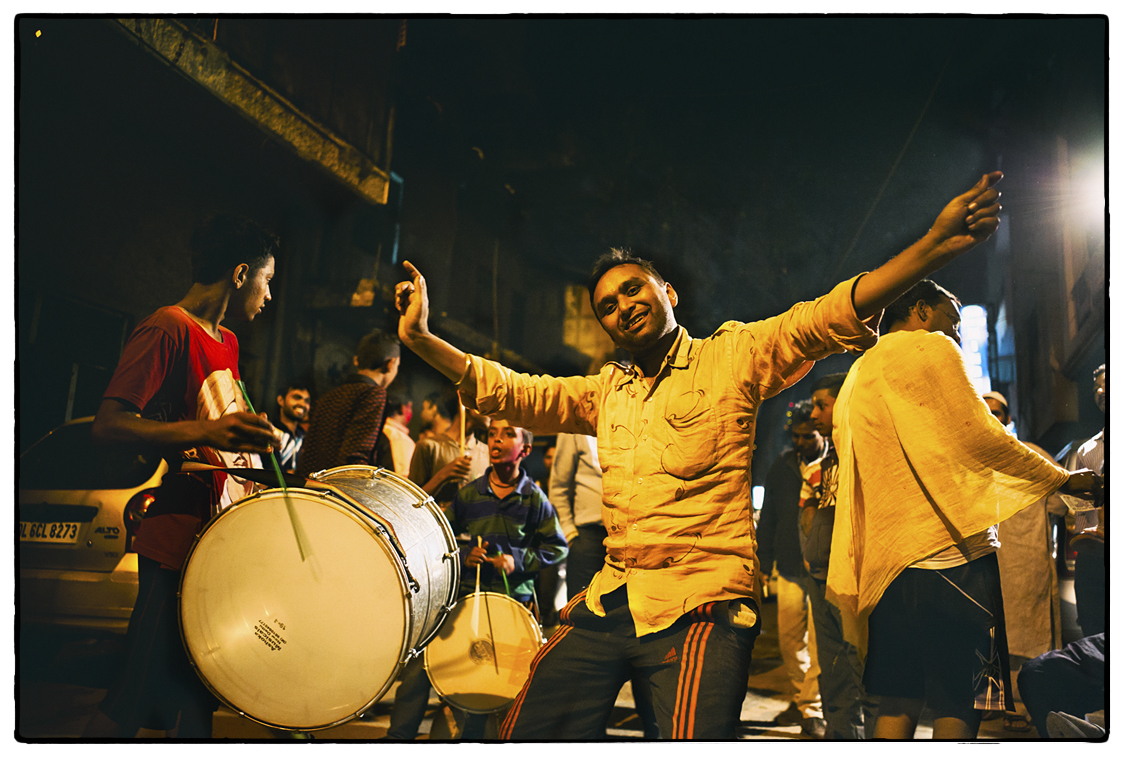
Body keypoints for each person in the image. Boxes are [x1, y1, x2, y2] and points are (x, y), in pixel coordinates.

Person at [396, 173, 1011, 739]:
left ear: (667, 292)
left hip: (703, 605)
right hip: (615, 597)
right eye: (606, 306)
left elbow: (826, 317)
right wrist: (422, 338)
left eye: (632, 289)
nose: (621, 307)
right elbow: (516, 391)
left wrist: (933, 245)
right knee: (524, 731)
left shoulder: (731, 356)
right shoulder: (606, 389)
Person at [825, 280, 1102, 739]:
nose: (955, 335)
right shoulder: (930, 348)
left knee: (899, 697)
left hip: (888, 569)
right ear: (920, 310)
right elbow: (981, 436)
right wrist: (1064, 478)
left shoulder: (857, 375)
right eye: (952, 321)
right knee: (963, 697)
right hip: (953, 561)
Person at [83, 212, 282, 739]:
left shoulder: (229, 343)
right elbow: (109, 424)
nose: (268, 296)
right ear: (241, 274)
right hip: (174, 538)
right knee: (134, 694)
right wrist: (209, 435)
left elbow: (216, 427)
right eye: (267, 281)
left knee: (196, 701)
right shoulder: (167, 327)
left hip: (215, 536)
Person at [387, 419, 568, 739]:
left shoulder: (535, 499)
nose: (496, 440)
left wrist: (518, 559)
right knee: (418, 672)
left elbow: (557, 548)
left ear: (525, 449)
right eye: (492, 435)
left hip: (514, 604)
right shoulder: (469, 494)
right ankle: (397, 741)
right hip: (466, 600)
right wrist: (464, 551)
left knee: (502, 684)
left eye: (507, 434)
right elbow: (441, 538)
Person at [798, 372, 873, 740]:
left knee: (861, 667)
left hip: (853, 578)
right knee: (833, 668)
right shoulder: (827, 462)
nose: (813, 414)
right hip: (821, 578)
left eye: (821, 405)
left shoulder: (863, 452)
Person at [755, 400, 826, 737]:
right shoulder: (782, 467)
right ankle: (803, 699)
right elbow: (768, 519)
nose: (800, 443)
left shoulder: (833, 465)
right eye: (796, 436)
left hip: (821, 570)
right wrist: (764, 565)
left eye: (807, 436)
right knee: (789, 641)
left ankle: (812, 709)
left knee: (818, 645)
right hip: (787, 567)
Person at [983, 392, 1065, 665]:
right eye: (985, 412)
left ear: (1007, 418)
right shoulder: (972, 462)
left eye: (997, 412)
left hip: (1029, 571)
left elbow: (1061, 503)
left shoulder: (1034, 456)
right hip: (989, 572)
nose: (992, 417)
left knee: (1033, 654)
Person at [297, 329, 400, 477]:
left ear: (356, 360)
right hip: (337, 493)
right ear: (390, 364)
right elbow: (356, 457)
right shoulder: (374, 394)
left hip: (310, 488)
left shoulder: (328, 397)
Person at [1065, 364, 1105, 639]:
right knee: (1093, 631)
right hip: (1092, 557)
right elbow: (1081, 511)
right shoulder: (1087, 450)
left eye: (1107, 384)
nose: (1101, 391)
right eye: (1096, 388)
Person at [407, 386, 491, 508]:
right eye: (488, 403)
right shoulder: (429, 447)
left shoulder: (487, 453)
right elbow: (410, 501)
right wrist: (443, 475)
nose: (493, 412)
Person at [274, 383, 310, 473]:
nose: (303, 404)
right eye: (297, 398)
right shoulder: (271, 432)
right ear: (281, 400)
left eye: (307, 401)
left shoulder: (305, 437)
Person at [380, 392, 416, 477]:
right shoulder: (401, 440)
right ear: (403, 408)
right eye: (410, 407)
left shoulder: (379, 430)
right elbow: (403, 477)